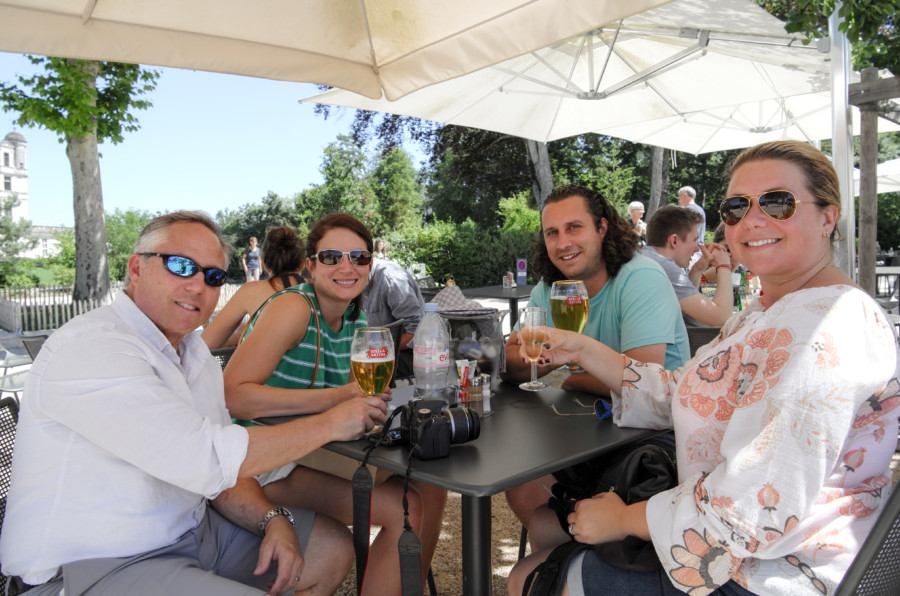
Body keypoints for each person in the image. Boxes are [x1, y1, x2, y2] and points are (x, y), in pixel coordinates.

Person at [508, 140, 900, 596]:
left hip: (771, 571)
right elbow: (682, 390)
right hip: (741, 536)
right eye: (736, 206)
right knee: (545, 524)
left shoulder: (825, 330)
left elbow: (753, 509)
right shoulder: (770, 311)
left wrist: (625, 518)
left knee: (526, 577)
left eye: (777, 202)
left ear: (827, 217)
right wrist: (579, 346)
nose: (752, 219)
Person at [0, 211, 388, 596]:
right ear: (136, 268)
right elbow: (208, 458)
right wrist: (331, 422)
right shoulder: (95, 346)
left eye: (213, 276)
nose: (197, 285)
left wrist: (272, 519)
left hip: (195, 533)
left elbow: (219, 478)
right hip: (97, 565)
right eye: (180, 265)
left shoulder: (192, 355)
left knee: (329, 549)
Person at [223, 213, 446, 596]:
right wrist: (340, 399)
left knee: (431, 484)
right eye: (331, 257)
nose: (346, 266)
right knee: (403, 508)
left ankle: (404, 588)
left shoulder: (355, 324)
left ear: (369, 266)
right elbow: (232, 394)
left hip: (310, 449)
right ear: (310, 266)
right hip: (261, 463)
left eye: (358, 257)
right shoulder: (294, 308)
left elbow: (351, 404)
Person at [501, 184, 690, 554]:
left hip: (654, 438)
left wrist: (569, 377)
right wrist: (530, 362)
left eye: (575, 228)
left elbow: (641, 381)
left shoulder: (640, 278)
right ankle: (568, 565)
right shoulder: (552, 287)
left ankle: (586, 564)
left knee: (544, 516)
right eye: (551, 233)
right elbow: (513, 362)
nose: (562, 243)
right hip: (588, 429)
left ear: (602, 228)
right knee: (522, 486)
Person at [203, 226, 306, 348]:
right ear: (302, 264)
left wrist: (243, 333)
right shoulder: (317, 290)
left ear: (266, 265)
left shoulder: (250, 292)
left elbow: (206, 343)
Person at [642, 205, 734, 327]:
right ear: (674, 241)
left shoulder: (647, 256)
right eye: (694, 240)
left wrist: (697, 269)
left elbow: (686, 305)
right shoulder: (663, 266)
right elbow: (720, 318)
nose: (697, 248)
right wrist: (724, 265)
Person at [361, 257, 425, 381]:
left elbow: (416, 335)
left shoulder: (392, 279)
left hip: (410, 354)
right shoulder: (344, 282)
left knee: (352, 368)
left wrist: (374, 349)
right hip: (371, 352)